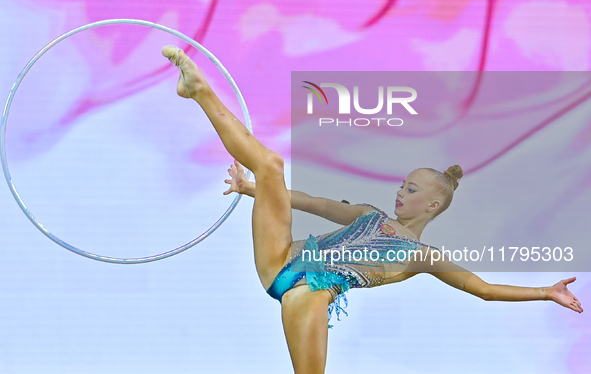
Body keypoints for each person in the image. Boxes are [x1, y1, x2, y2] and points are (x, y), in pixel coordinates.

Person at [161, 46, 584, 374]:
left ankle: (199, 91)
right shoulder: (369, 214)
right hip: (281, 257)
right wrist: (254, 189)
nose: (400, 192)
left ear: (433, 204)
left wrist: (545, 292)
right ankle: (198, 89)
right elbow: (309, 202)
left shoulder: (424, 257)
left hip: (308, 294)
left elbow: (484, 289)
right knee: (271, 164)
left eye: (412, 189)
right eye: (402, 184)